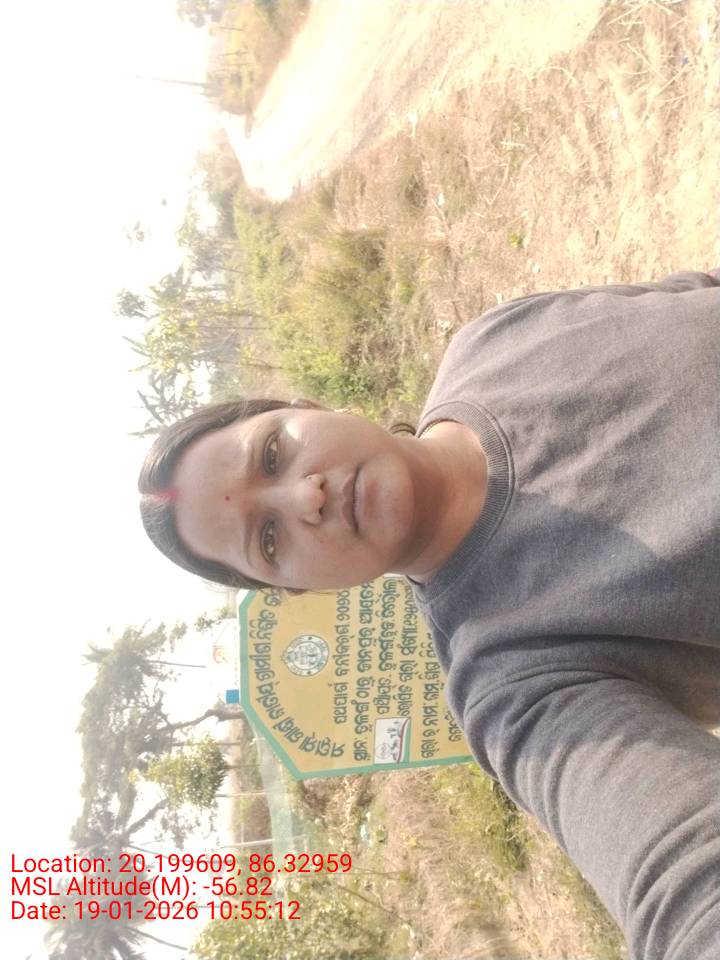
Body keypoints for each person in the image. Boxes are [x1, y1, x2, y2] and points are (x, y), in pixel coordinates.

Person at [139, 269, 720, 960]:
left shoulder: (497, 340)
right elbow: (682, 882)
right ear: (295, 589)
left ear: (307, 405)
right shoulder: (514, 690)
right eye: (269, 539)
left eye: (273, 454)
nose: (304, 499)